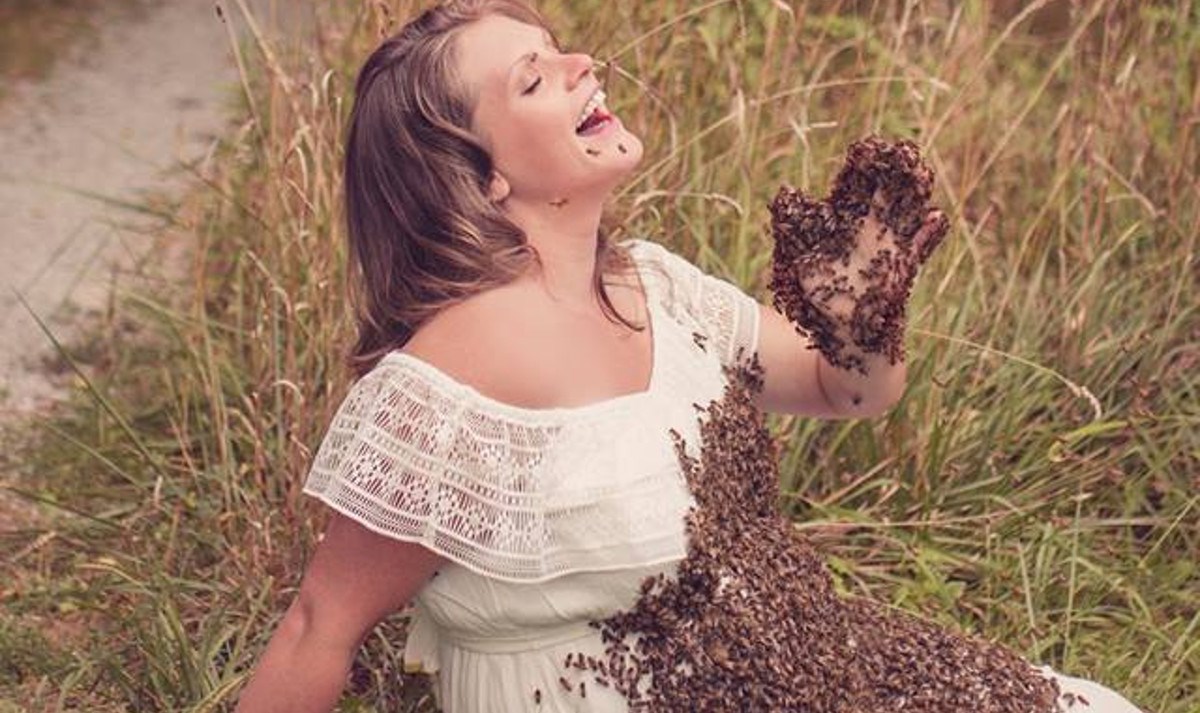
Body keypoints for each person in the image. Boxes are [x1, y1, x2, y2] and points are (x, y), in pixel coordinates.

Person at [233, 1, 1144, 711]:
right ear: (479, 175)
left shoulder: (655, 286)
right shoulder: (451, 382)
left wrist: (862, 309)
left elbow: (844, 389)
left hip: (785, 662)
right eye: (534, 79)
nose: (582, 64)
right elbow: (321, 623)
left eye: (560, 49)